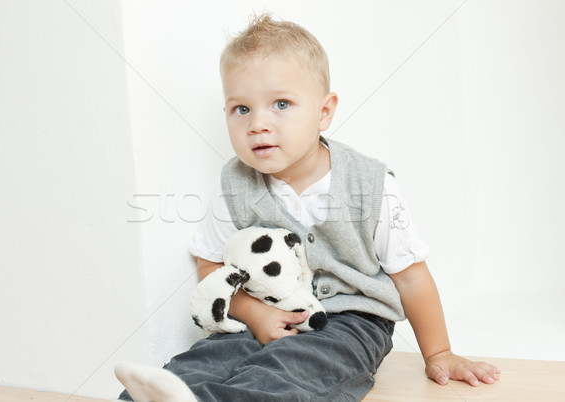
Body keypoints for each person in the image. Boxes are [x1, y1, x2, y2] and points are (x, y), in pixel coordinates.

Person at [114, 14, 500, 401]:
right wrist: (252, 312)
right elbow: (210, 264)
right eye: (241, 109)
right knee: (211, 354)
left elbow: (412, 277)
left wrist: (439, 352)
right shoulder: (234, 182)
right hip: (266, 309)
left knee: (292, 369)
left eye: (281, 104)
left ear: (323, 112)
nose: (258, 124)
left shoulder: (370, 183)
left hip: (350, 321)